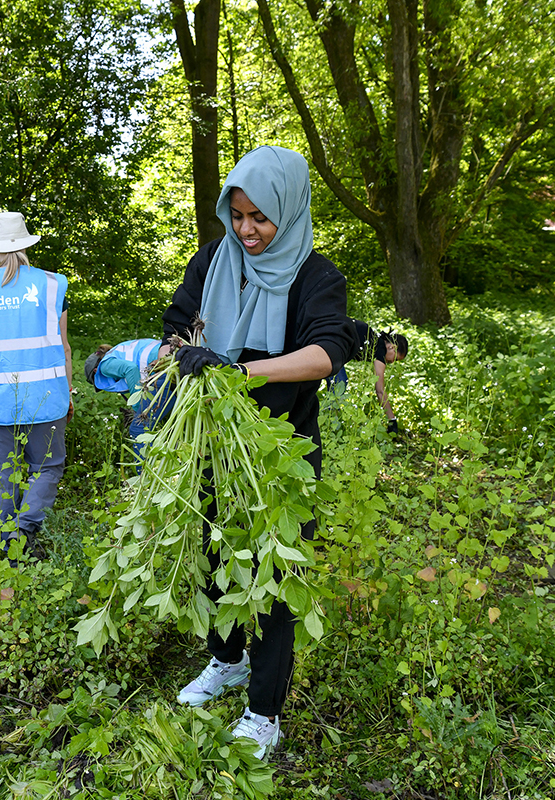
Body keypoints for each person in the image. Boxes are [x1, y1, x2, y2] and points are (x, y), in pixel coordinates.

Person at [161, 146, 356, 759]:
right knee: (217, 551)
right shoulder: (214, 261)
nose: (246, 230)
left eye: (260, 219)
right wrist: (181, 350)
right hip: (216, 442)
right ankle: (226, 661)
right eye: (237, 216)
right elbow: (175, 326)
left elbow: (325, 353)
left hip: (282, 451)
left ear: (289, 212)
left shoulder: (316, 276)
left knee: (273, 575)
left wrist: (237, 371)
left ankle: (264, 710)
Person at [0, 212, 73, 555]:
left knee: (3, 473)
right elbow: (64, 348)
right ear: (26, 244)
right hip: (47, 396)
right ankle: (27, 528)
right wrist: (67, 393)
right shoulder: (54, 285)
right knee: (47, 467)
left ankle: (10, 544)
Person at [83, 339, 172, 463]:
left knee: (138, 428)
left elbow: (131, 368)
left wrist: (138, 406)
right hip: (168, 356)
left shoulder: (105, 366)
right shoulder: (116, 353)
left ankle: (146, 476)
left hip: (165, 364)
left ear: (95, 371)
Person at [329, 319, 409, 433]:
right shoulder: (380, 348)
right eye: (395, 358)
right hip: (330, 341)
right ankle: (331, 428)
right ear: (392, 347)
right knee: (340, 384)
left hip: (326, 334)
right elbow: (380, 390)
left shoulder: (372, 340)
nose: (392, 362)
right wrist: (392, 419)